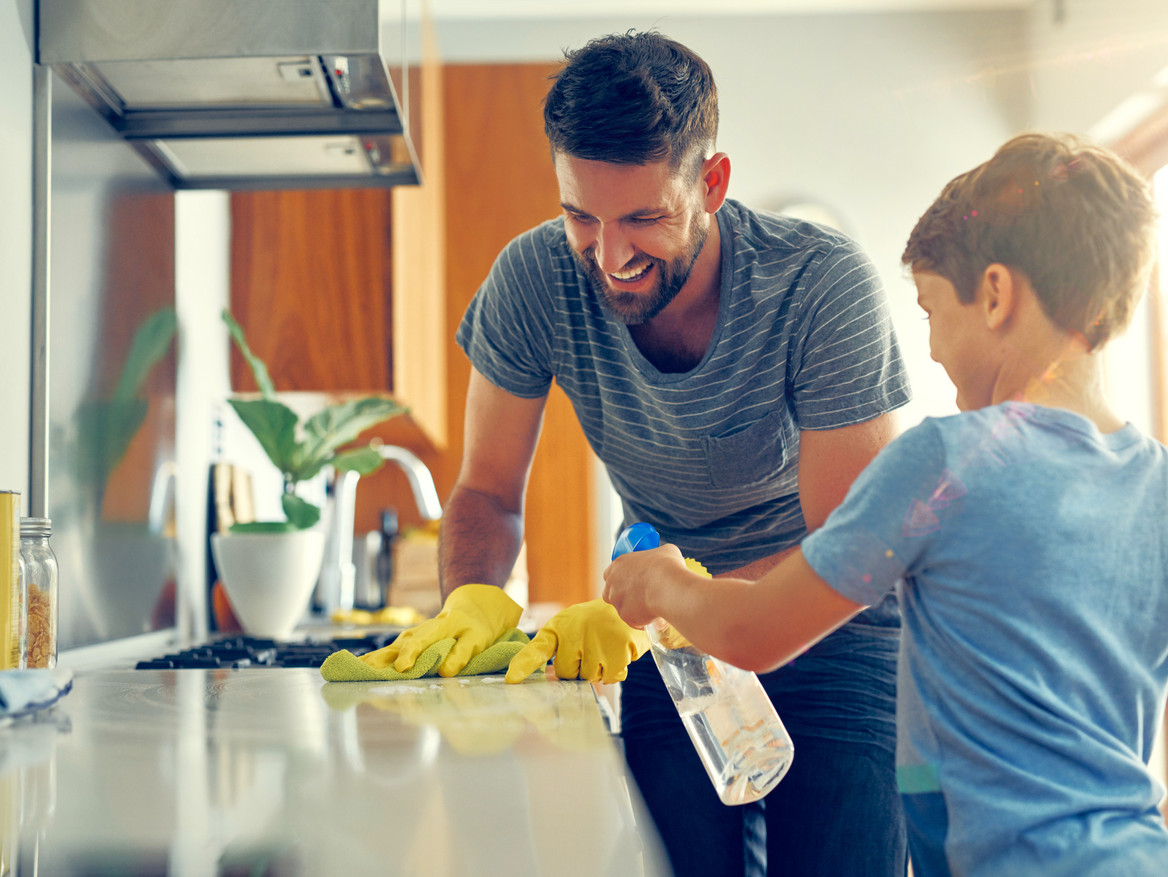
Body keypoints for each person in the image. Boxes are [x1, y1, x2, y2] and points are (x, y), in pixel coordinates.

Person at [367, 30, 911, 876]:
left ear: (713, 184)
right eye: (581, 215)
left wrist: (684, 591)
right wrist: (470, 606)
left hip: (825, 635)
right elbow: (486, 490)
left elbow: (850, 550)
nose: (611, 256)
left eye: (643, 218)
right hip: (670, 642)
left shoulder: (820, 286)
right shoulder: (534, 279)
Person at [603, 131, 1168, 877]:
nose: (929, 348)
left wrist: (659, 581)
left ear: (995, 294)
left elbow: (755, 632)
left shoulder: (949, 460)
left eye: (931, 309)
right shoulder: (1154, 483)